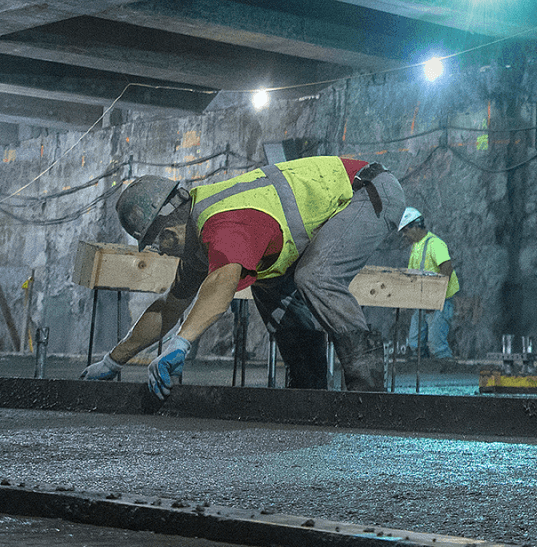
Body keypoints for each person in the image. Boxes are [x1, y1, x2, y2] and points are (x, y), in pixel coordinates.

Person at [81, 156, 407, 398]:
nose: (161, 252)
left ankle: (368, 386)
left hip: (368, 191)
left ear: (171, 221)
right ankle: (309, 390)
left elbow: (221, 285)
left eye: (158, 241)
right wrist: (113, 361)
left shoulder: (221, 222)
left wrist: (181, 344)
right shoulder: (197, 237)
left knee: (315, 276)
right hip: (345, 201)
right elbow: (169, 307)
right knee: (268, 286)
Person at [398, 206, 458, 359]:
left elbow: (447, 268)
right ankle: (424, 377)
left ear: (416, 226)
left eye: (406, 230)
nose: (405, 235)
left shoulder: (435, 244)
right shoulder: (416, 247)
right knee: (415, 345)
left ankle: (447, 378)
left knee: (437, 346)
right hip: (423, 302)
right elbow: (413, 276)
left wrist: (435, 298)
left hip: (440, 303)